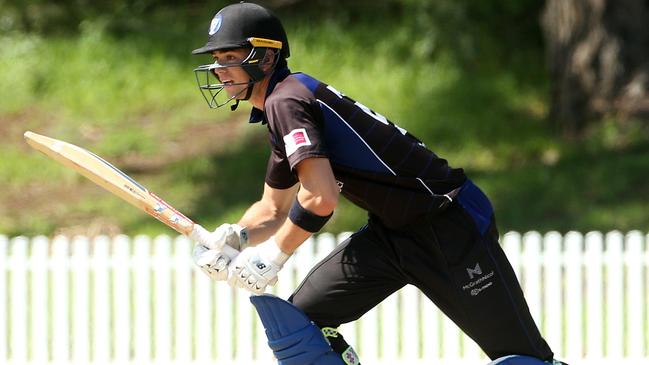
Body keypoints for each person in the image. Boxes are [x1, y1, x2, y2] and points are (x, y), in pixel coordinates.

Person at [189, 2, 565, 365]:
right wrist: (235, 237)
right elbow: (272, 208)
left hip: (447, 224)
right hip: (390, 235)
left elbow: (320, 198)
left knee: (524, 360)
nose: (220, 70)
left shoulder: (287, 101)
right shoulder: (285, 103)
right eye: (218, 60)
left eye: (230, 58)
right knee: (301, 328)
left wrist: (272, 256)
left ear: (266, 57)